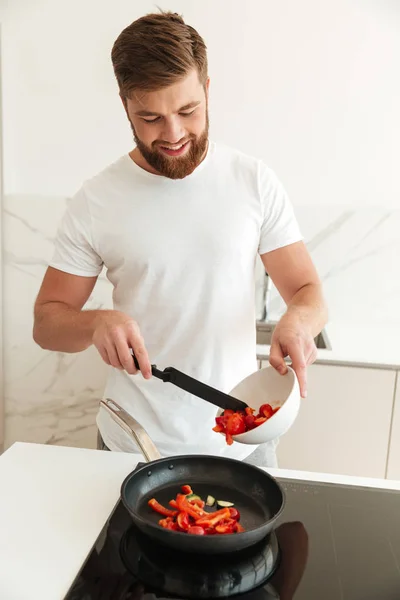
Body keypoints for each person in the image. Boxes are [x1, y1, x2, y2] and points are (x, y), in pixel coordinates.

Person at [33, 10, 327, 467]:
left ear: (207, 89)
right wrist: (95, 324)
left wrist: (299, 322)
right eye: (150, 117)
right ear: (125, 104)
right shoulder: (96, 200)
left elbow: (308, 293)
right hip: (130, 446)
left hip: (243, 439)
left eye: (187, 111)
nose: (172, 135)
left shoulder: (252, 181)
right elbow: (47, 322)